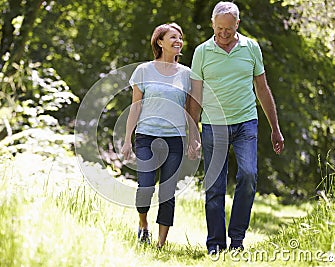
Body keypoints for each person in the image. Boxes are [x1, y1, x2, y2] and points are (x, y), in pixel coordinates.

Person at [188, 1, 285, 254]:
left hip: (245, 123)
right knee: (215, 186)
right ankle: (215, 245)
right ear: (212, 24)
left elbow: (262, 89)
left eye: (228, 29)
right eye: (219, 28)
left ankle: (237, 240)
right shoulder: (202, 52)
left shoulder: (251, 48)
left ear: (237, 24)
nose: (223, 34)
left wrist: (275, 127)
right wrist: (192, 132)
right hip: (213, 125)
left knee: (249, 175)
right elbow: (195, 95)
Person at [121, 22, 193, 248]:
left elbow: (191, 111)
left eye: (180, 37)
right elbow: (135, 107)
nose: (178, 41)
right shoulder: (144, 70)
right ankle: (143, 226)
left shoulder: (187, 74)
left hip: (175, 139)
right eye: (173, 37)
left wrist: (193, 138)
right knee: (145, 186)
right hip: (146, 137)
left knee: (167, 191)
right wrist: (127, 140)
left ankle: (161, 244)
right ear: (159, 42)